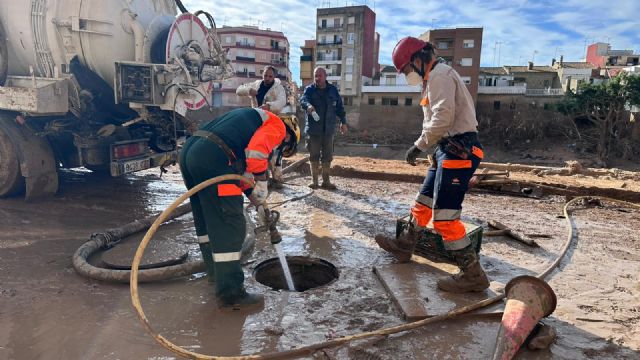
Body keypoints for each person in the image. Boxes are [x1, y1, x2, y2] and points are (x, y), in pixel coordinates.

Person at [374, 37, 489, 294]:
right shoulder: (431, 80)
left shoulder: (440, 75)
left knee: (445, 218)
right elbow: (436, 121)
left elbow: (443, 118)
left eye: (405, 69)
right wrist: (430, 147)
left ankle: (473, 274)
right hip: (446, 149)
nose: (406, 75)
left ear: (418, 59)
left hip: (459, 150)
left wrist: (419, 145)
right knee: (423, 201)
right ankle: (406, 244)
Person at [179, 107, 299, 308]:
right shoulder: (277, 125)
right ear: (288, 137)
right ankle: (232, 294)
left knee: (207, 218)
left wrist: (257, 202)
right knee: (231, 225)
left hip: (191, 154)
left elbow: (239, 177)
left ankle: (216, 275)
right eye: (284, 149)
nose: (277, 151)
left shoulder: (247, 125)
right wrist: (262, 181)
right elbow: (257, 153)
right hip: (214, 159)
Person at [236, 66, 288, 187]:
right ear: (262, 75)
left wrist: (269, 106)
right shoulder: (256, 84)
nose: (267, 78)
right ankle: (262, 177)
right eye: (265, 75)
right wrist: (249, 90)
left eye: (270, 76)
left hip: (272, 122)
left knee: (275, 151)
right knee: (257, 149)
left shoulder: (278, 88)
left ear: (274, 77)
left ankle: (278, 178)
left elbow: (281, 102)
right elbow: (238, 90)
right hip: (256, 121)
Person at [300, 66, 347, 190]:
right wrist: (308, 106)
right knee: (313, 155)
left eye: (320, 75)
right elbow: (303, 100)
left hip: (328, 130)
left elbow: (340, 108)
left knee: (327, 156)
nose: (317, 78)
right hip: (314, 130)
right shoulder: (309, 90)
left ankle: (326, 181)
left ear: (325, 76)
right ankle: (314, 181)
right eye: (316, 75)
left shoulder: (333, 90)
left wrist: (343, 122)